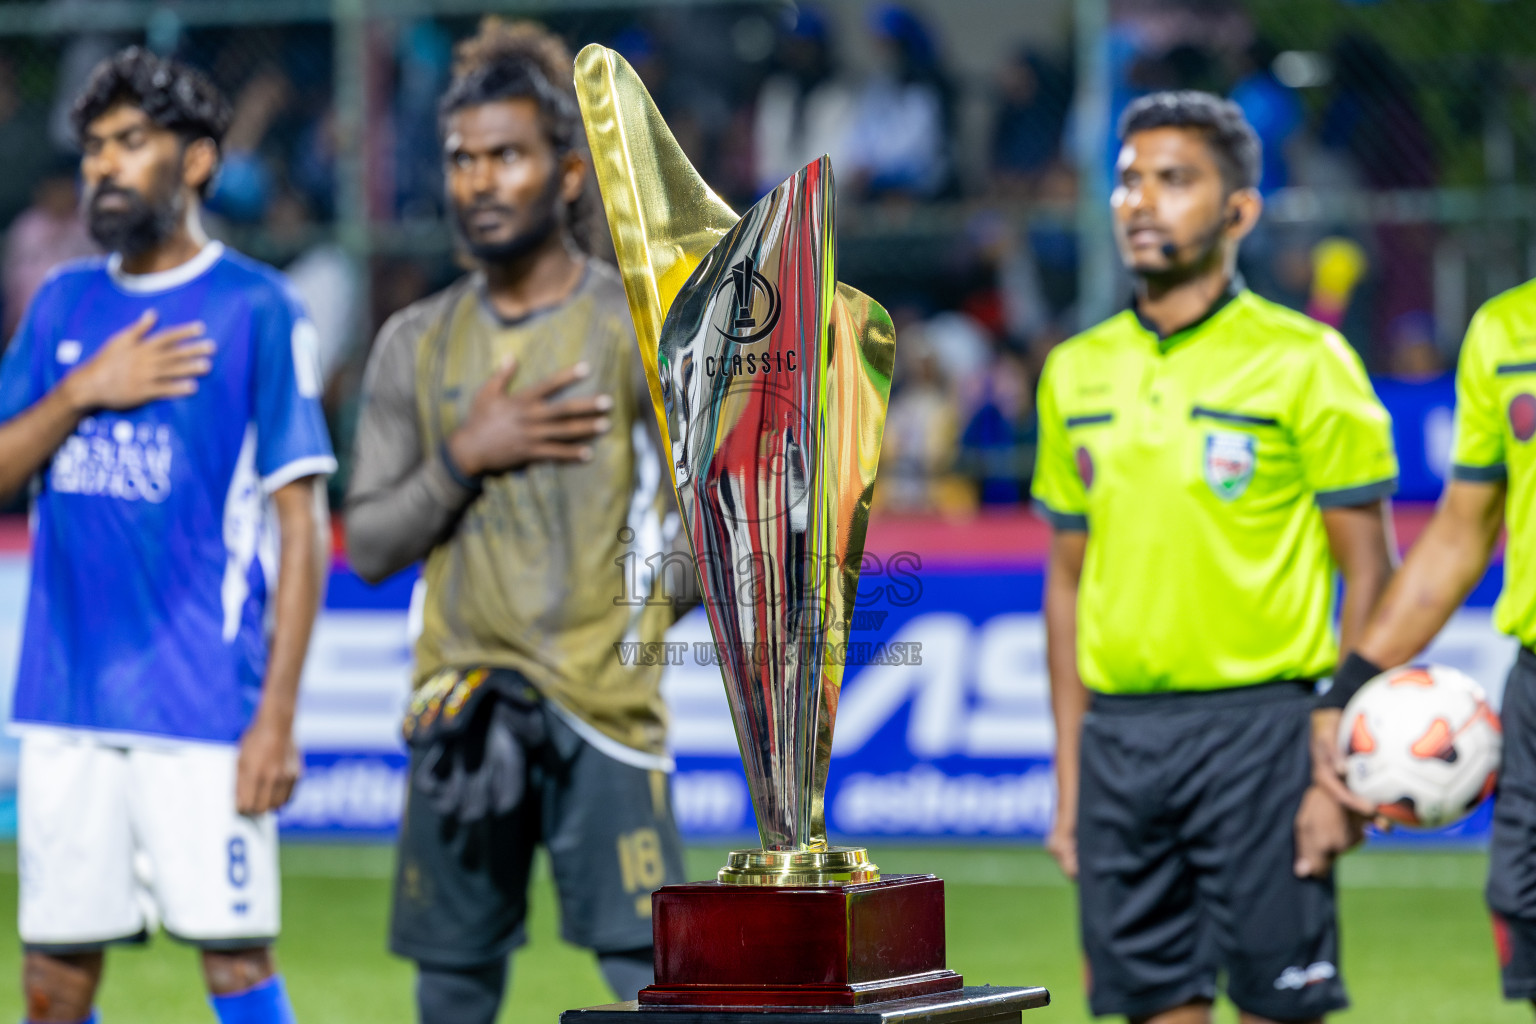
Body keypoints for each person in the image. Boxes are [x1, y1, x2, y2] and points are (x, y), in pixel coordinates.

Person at [344, 20, 688, 1024]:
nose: (480, 181)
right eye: (462, 160)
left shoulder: (635, 327)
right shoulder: (414, 340)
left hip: (607, 711)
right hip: (462, 703)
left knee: (650, 978)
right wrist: (466, 453)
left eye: (507, 156)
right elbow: (368, 544)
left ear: (570, 174)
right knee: (453, 989)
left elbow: (708, 527)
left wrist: (642, 611)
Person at [1033, 91, 1399, 1024]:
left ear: (1240, 211)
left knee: (1283, 1011)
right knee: (1156, 1008)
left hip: (1264, 739)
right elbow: (1067, 586)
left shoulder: (1307, 361)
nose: (1142, 202)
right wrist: (1073, 779)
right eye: (1128, 181)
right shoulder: (1075, 370)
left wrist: (1337, 763)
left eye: (1175, 180)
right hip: (1119, 744)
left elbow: (1372, 573)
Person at [0, 48, 335, 1024]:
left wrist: (274, 715)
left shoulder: (257, 308)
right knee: (54, 983)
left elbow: (301, 525)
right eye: (95, 146)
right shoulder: (63, 304)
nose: (103, 165)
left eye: (130, 144)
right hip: (63, 702)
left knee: (236, 964)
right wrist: (80, 392)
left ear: (194, 162)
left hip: (201, 703)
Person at [1326, 276, 1536, 1008]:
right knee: (1526, 914)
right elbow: (1460, 533)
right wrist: (1350, 688)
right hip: (1535, 685)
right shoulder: (1506, 330)